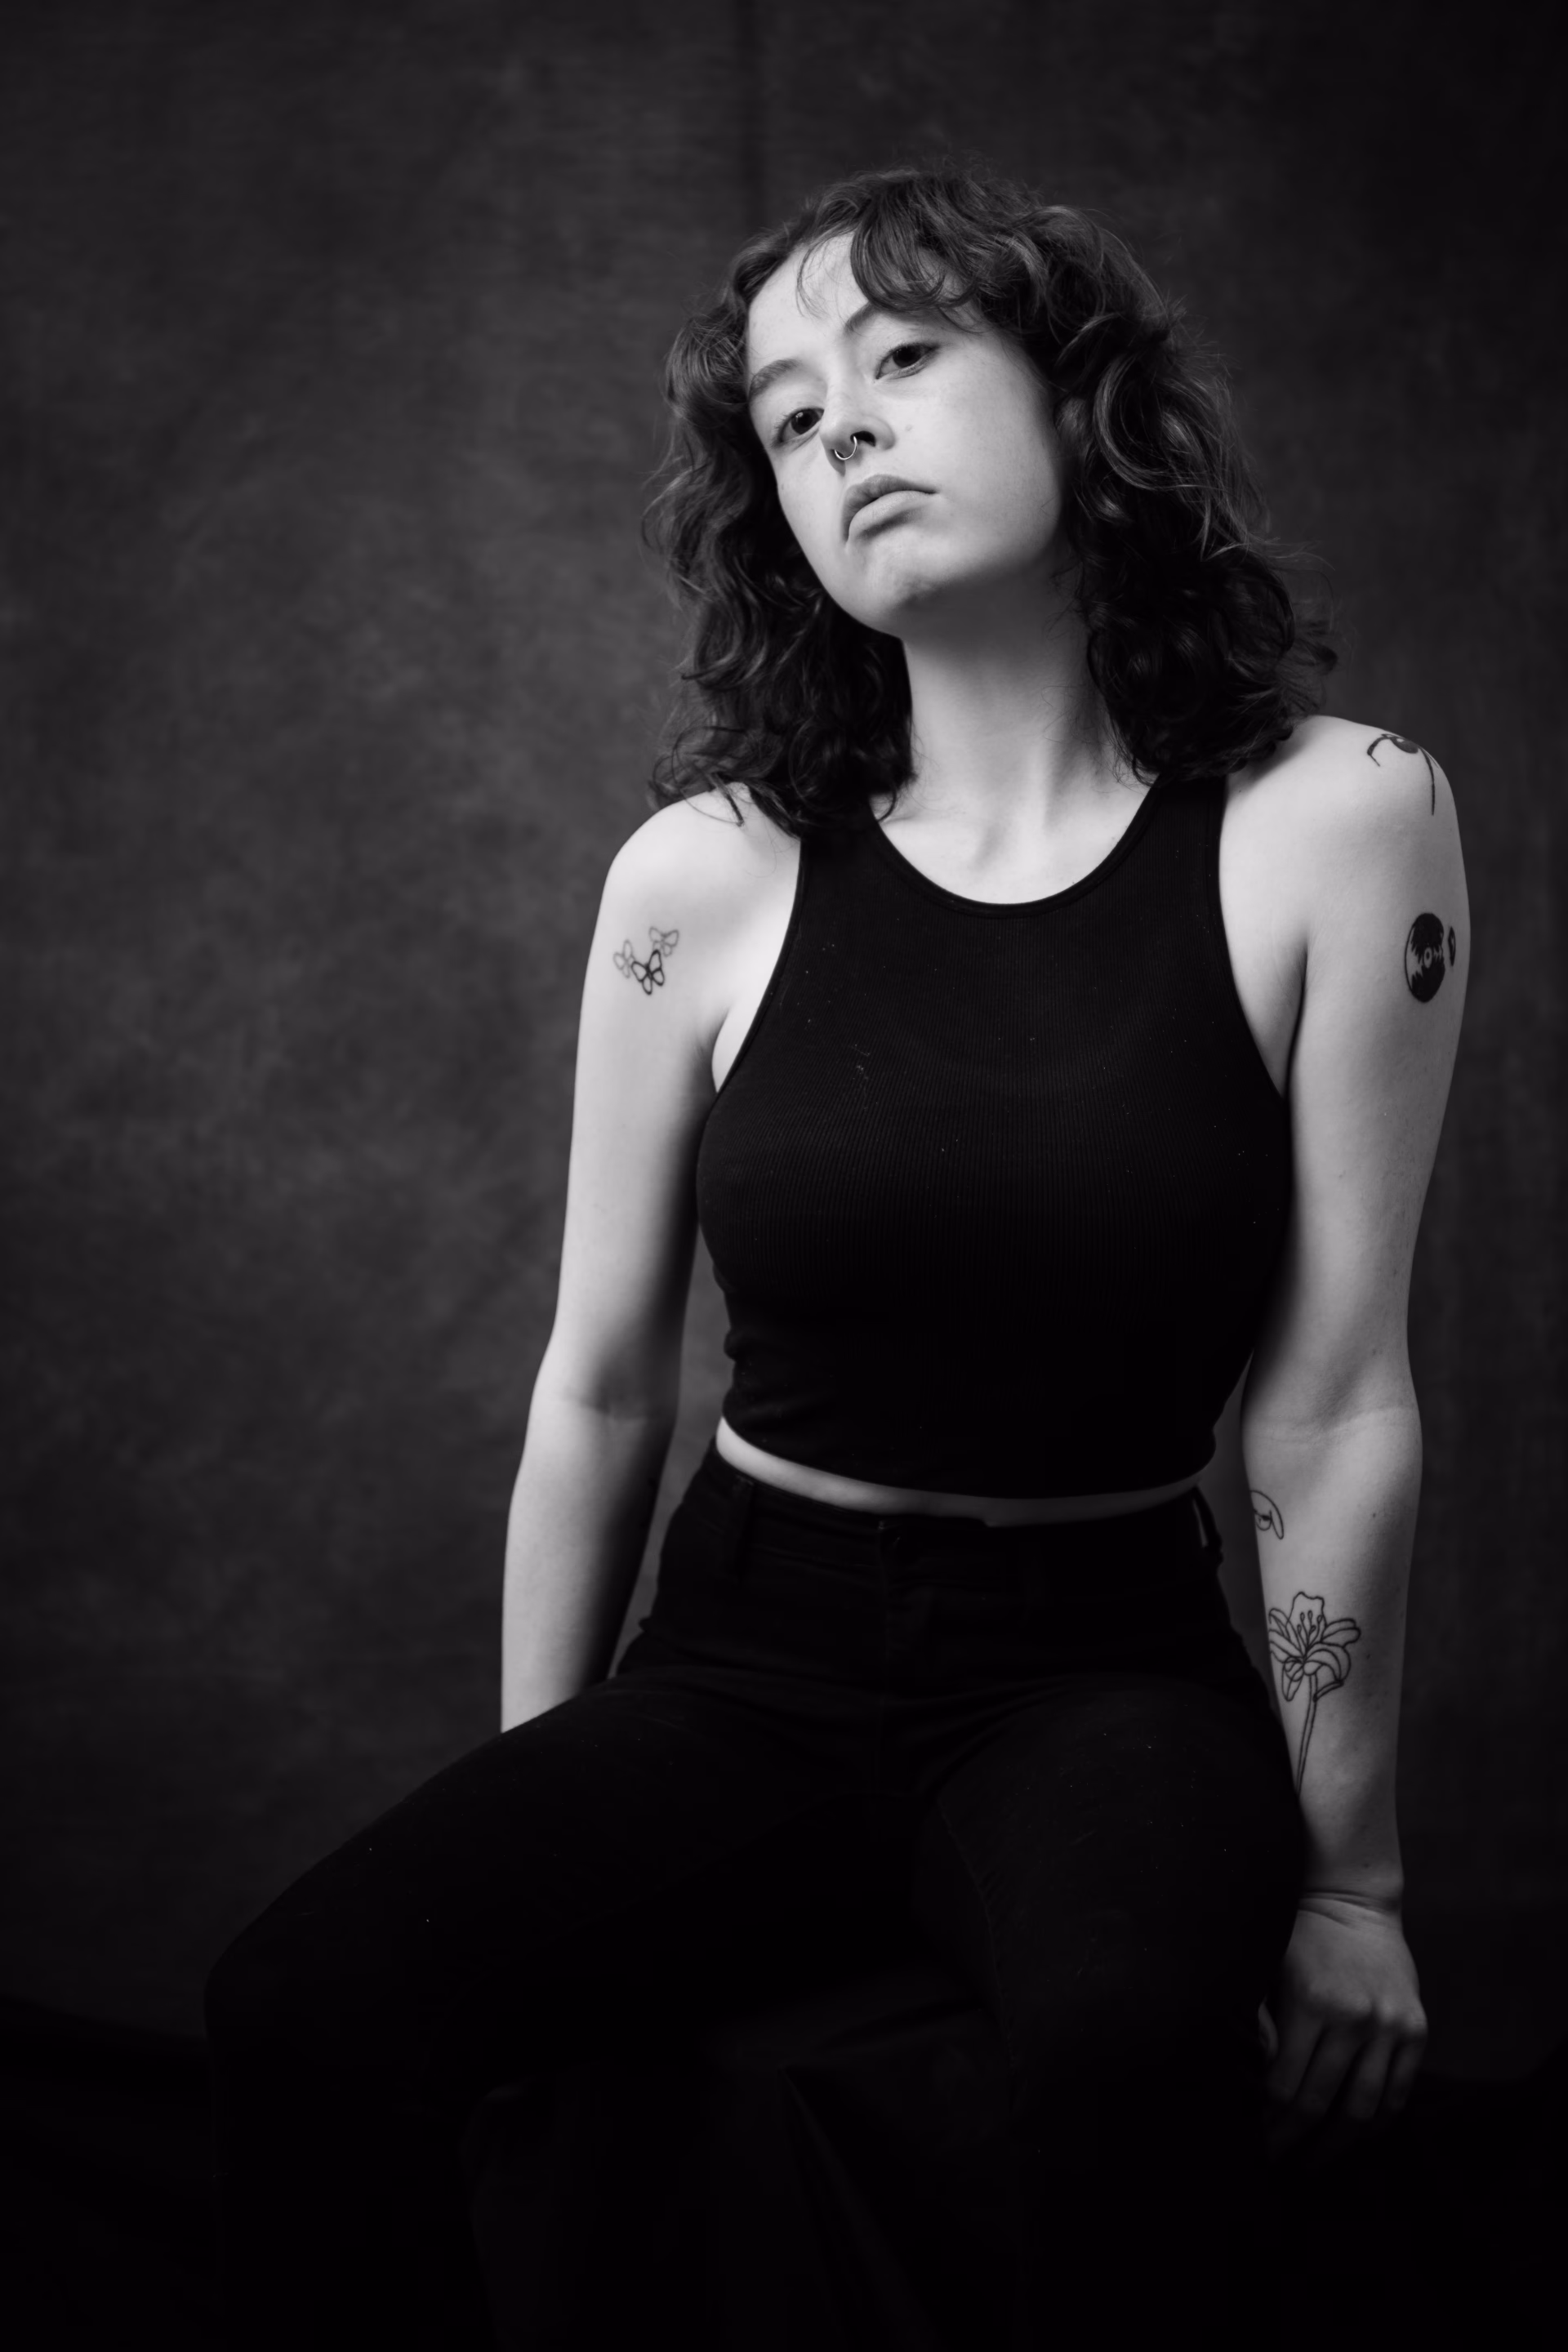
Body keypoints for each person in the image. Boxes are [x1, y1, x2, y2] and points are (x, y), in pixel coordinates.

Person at [205, 163, 1467, 2346]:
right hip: (747, 1654)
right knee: (299, 2011)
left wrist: (1350, 1879)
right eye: (793, 416)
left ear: (1080, 401)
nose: (848, 428)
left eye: (904, 358)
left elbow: (1336, 1392)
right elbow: (603, 1383)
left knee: (1127, 2068)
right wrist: (542, 1796)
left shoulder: (1341, 818)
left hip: (1100, 1669)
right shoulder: (699, 879)